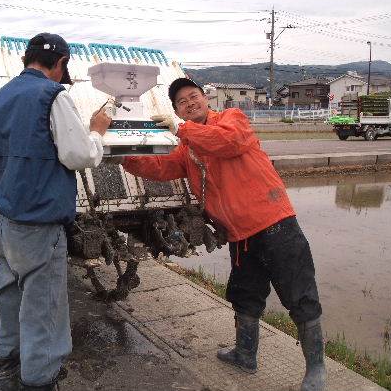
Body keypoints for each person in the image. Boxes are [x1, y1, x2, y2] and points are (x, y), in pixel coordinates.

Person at [119, 78, 326, 391]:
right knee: (244, 295)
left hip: (276, 224)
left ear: (205, 99)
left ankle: (317, 370)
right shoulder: (189, 148)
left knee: (299, 295)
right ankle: (245, 354)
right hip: (240, 236)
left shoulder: (232, 120)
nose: (190, 103)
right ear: (178, 110)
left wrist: (178, 129)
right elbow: (160, 167)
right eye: (182, 103)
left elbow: (226, 142)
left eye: (193, 97)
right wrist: (123, 157)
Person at [0, 32, 111, 391]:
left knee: (9, 299)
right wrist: (97, 132)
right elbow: (79, 155)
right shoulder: (53, 95)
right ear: (61, 63)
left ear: (28, 59)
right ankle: (38, 382)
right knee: (44, 309)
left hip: (6, 219)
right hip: (39, 223)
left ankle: (3, 375)